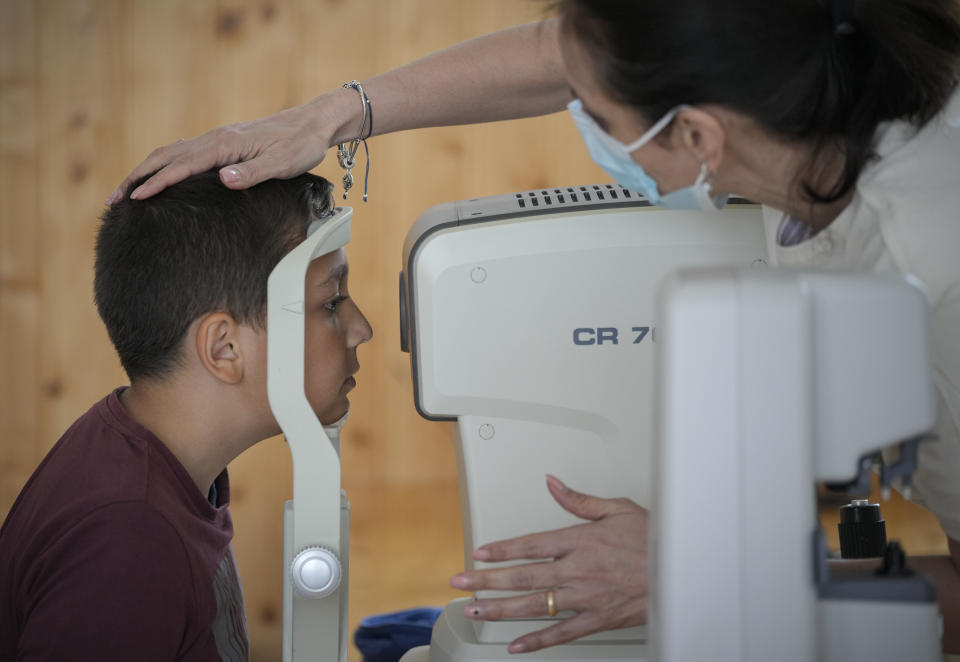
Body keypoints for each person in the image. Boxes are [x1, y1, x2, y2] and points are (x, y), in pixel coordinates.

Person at [110, 0, 960, 655]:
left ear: (698, 135)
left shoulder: (934, 278)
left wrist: (712, 578)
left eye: (597, 113)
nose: (586, 121)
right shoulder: (802, 100)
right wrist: (332, 115)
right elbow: (568, 49)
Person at [0, 171, 373, 660]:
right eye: (331, 302)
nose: (360, 329)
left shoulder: (155, 465)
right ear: (224, 348)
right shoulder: (127, 544)